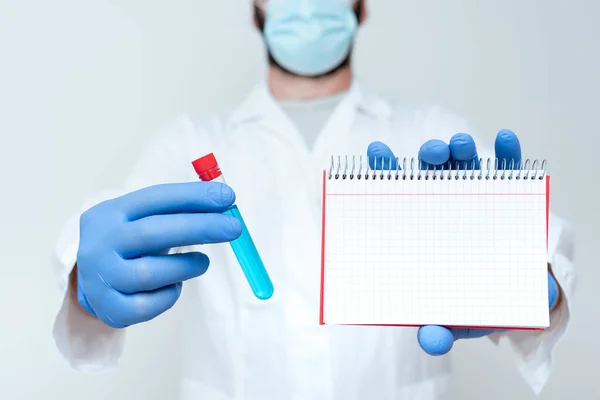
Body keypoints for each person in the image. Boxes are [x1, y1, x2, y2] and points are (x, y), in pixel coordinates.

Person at [51, 0, 575, 399]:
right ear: (255, 4)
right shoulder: (190, 144)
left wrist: (529, 280)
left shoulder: (430, 133)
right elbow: (109, 232)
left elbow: (542, 261)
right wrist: (83, 276)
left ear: (362, 4)